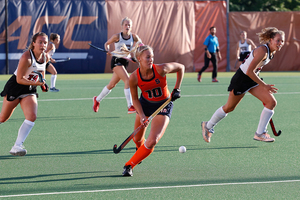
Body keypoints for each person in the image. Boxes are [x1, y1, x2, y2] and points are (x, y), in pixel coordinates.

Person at [201, 27, 285, 143]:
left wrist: (261, 84)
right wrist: (264, 85)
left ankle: (260, 133)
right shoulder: (263, 51)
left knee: (271, 102)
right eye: (278, 40)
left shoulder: (272, 52)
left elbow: (254, 71)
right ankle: (208, 126)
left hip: (252, 79)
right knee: (229, 107)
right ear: (271, 40)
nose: (280, 43)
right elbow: (249, 71)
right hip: (242, 79)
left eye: (282, 41)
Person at [122, 45, 185, 176]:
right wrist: (142, 115)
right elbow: (134, 99)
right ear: (139, 58)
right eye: (148, 57)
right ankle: (140, 150)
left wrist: (177, 89)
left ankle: (129, 165)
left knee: (152, 141)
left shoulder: (161, 69)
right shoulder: (133, 78)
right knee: (137, 138)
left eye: (152, 56)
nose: (151, 59)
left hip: (164, 105)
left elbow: (181, 67)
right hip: (145, 104)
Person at [0, 32, 49, 156]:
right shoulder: (26, 57)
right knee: (3, 118)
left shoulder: (45, 57)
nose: (43, 45)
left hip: (30, 89)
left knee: (32, 116)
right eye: (40, 42)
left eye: (45, 42)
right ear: (33, 43)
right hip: (16, 87)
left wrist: (43, 84)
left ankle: (17, 146)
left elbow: (41, 74)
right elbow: (19, 79)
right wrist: (38, 84)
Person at [93, 17, 142, 114]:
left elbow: (141, 45)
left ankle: (97, 99)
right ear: (122, 26)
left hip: (125, 62)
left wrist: (135, 57)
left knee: (112, 85)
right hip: (116, 60)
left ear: (131, 27)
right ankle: (130, 106)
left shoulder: (134, 37)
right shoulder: (117, 37)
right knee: (128, 80)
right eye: (126, 25)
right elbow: (106, 44)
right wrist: (107, 50)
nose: (127, 27)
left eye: (129, 25)